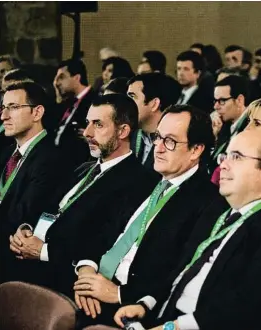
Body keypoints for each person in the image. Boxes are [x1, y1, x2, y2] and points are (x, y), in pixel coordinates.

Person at [112, 130, 261, 330]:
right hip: (165, 317)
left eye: (236, 157)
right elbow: (182, 267)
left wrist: (173, 327)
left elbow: (250, 304)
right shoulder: (219, 209)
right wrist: (147, 304)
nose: (223, 165)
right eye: (224, 156)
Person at [72, 105, 226, 325]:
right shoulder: (144, 179)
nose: (158, 147)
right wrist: (86, 272)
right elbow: (102, 229)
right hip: (92, 283)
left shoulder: (209, 203)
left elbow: (180, 272)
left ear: (196, 150)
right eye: (157, 137)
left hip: (132, 307)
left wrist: (118, 294)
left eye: (170, 141)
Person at [8, 94, 159, 293]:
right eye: (88, 123)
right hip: (32, 262)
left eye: (98, 125)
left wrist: (43, 251)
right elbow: (49, 208)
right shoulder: (84, 168)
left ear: (123, 131)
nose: (87, 132)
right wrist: (27, 230)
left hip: (65, 277)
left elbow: (102, 241)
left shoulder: (138, 181)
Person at [0, 81, 73, 283]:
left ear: (37, 113)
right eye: (3, 107)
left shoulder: (53, 159)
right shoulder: (5, 154)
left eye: (13, 108)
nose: (3, 116)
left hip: (14, 264)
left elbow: (22, 216)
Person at [127, 73, 181, 172]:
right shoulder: (129, 137)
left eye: (132, 97)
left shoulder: (176, 144)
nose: (125, 103)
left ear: (154, 104)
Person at [53, 59, 96, 167]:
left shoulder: (94, 101)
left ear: (77, 78)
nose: (56, 83)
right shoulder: (68, 102)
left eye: (61, 77)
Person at [209, 75, 250, 174]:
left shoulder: (251, 127)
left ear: (239, 100)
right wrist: (213, 136)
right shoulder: (224, 125)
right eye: (215, 101)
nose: (216, 106)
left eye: (222, 101)